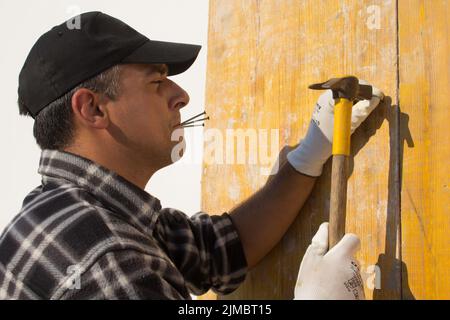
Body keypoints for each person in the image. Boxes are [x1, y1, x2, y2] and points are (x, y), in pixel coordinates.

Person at [0, 11, 383, 300]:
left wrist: (307, 157)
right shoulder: (108, 262)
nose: (180, 95)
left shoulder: (69, 211)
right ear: (94, 109)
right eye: (156, 82)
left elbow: (218, 248)